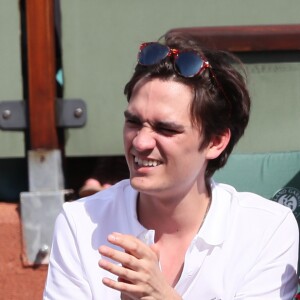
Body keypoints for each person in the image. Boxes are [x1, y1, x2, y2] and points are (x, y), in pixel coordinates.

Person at [43, 32, 299, 299]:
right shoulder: (79, 222)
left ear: (216, 142)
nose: (141, 142)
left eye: (166, 129)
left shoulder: (266, 230)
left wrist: (163, 296)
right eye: (133, 122)